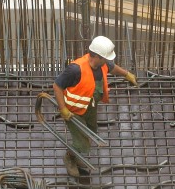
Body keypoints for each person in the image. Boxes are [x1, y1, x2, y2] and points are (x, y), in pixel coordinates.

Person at [53, 36, 138, 177]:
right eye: (105, 58)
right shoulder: (75, 69)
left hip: (90, 107)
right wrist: (63, 109)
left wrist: (127, 74)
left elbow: (113, 68)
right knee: (83, 142)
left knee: (90, 133)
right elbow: (57, 85)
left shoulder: (102, 64)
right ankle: (69, 158)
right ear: (97, 56)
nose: (108, 60)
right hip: (74, 111)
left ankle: (75, 155)